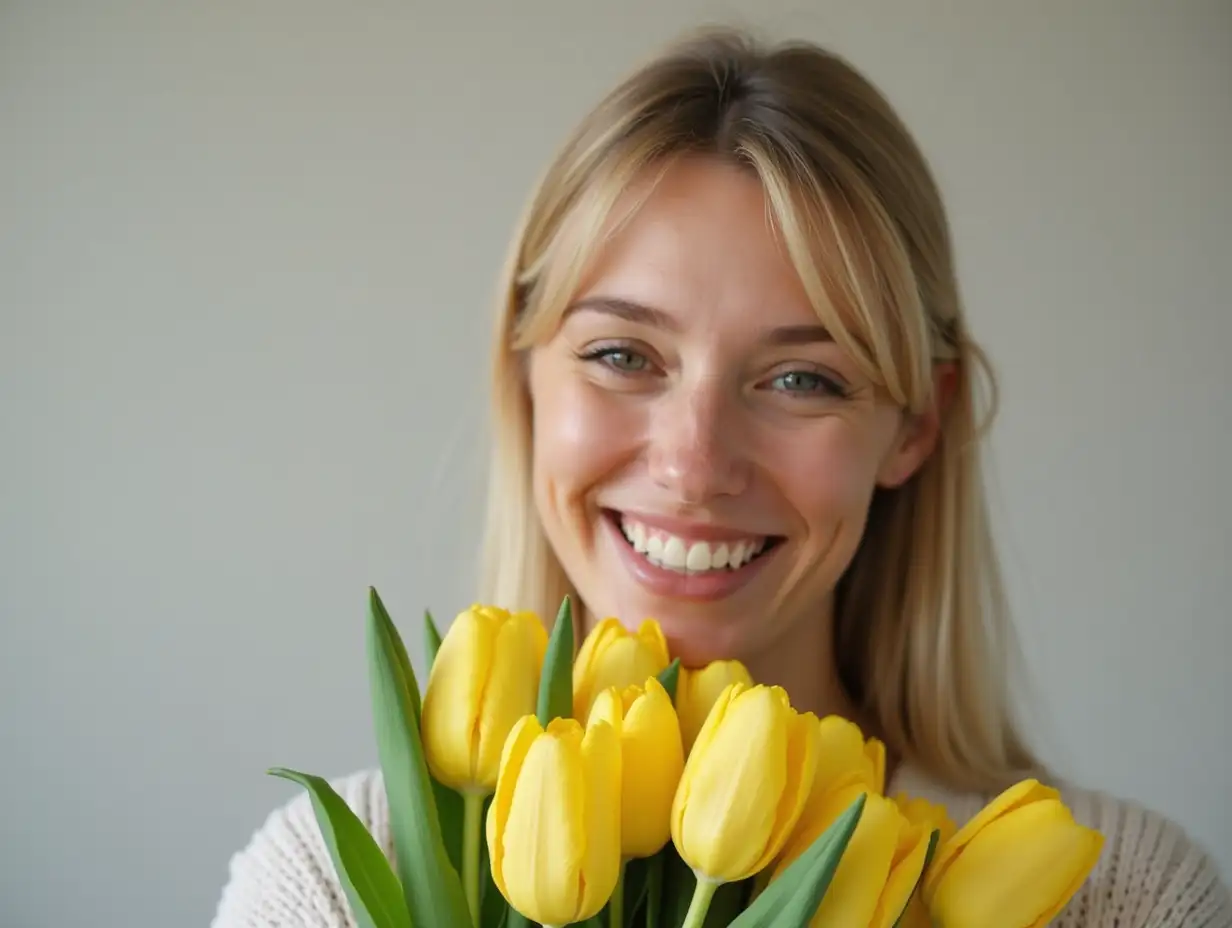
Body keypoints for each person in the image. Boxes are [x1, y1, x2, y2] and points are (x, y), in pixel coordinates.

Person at [211, 26, 1230, 927]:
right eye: (622, 354)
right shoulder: (331, 887)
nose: (693, 466)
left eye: (800, 377)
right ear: (523, 377)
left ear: (915, 423)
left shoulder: (1114, 899)